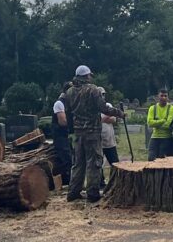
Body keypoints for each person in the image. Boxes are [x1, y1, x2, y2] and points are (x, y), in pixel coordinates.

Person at [66, 65, 124, 202]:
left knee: (78, 163)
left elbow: (69, 110)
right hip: (92, 131)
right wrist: (119, 113)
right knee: (94, 163)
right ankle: (92, 193)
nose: (91, 77)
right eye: (90, 75)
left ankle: (73, 192)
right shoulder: (93, 90)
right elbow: (103, 108)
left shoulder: (69, 92)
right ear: (86, 76)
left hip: (78, 132)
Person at [52, 81, 74, 186]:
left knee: (71, 158)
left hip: (66, 135)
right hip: (59, 135)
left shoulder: (69, 103)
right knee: (66, 159)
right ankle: (65, 182)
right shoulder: (59, 103)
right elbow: (62, 122)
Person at [98, 87, 119, 189]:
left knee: (114, 161)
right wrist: (105, 118)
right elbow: (98, 120)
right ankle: (101, 184)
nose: (103, 96)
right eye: (101, 94)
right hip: (98, 139)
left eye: (103, 94)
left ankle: (114, 182)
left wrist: (103, 119)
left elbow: (114, 119)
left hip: (109, 138)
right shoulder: (95, 107)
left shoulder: (108, 105)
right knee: (98, 163)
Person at [147, 88, 173, 161]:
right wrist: (163, 120)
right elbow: (150, 123)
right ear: (157, 97)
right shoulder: (152, 108)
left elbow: (167, 124)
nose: (163, 98)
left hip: (166, 138)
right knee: (150, 158)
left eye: (165, 96)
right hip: (154, 137)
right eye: (162, 95)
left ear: (168, 98)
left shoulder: (171, 108)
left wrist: (156, 123)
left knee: (162, 160)